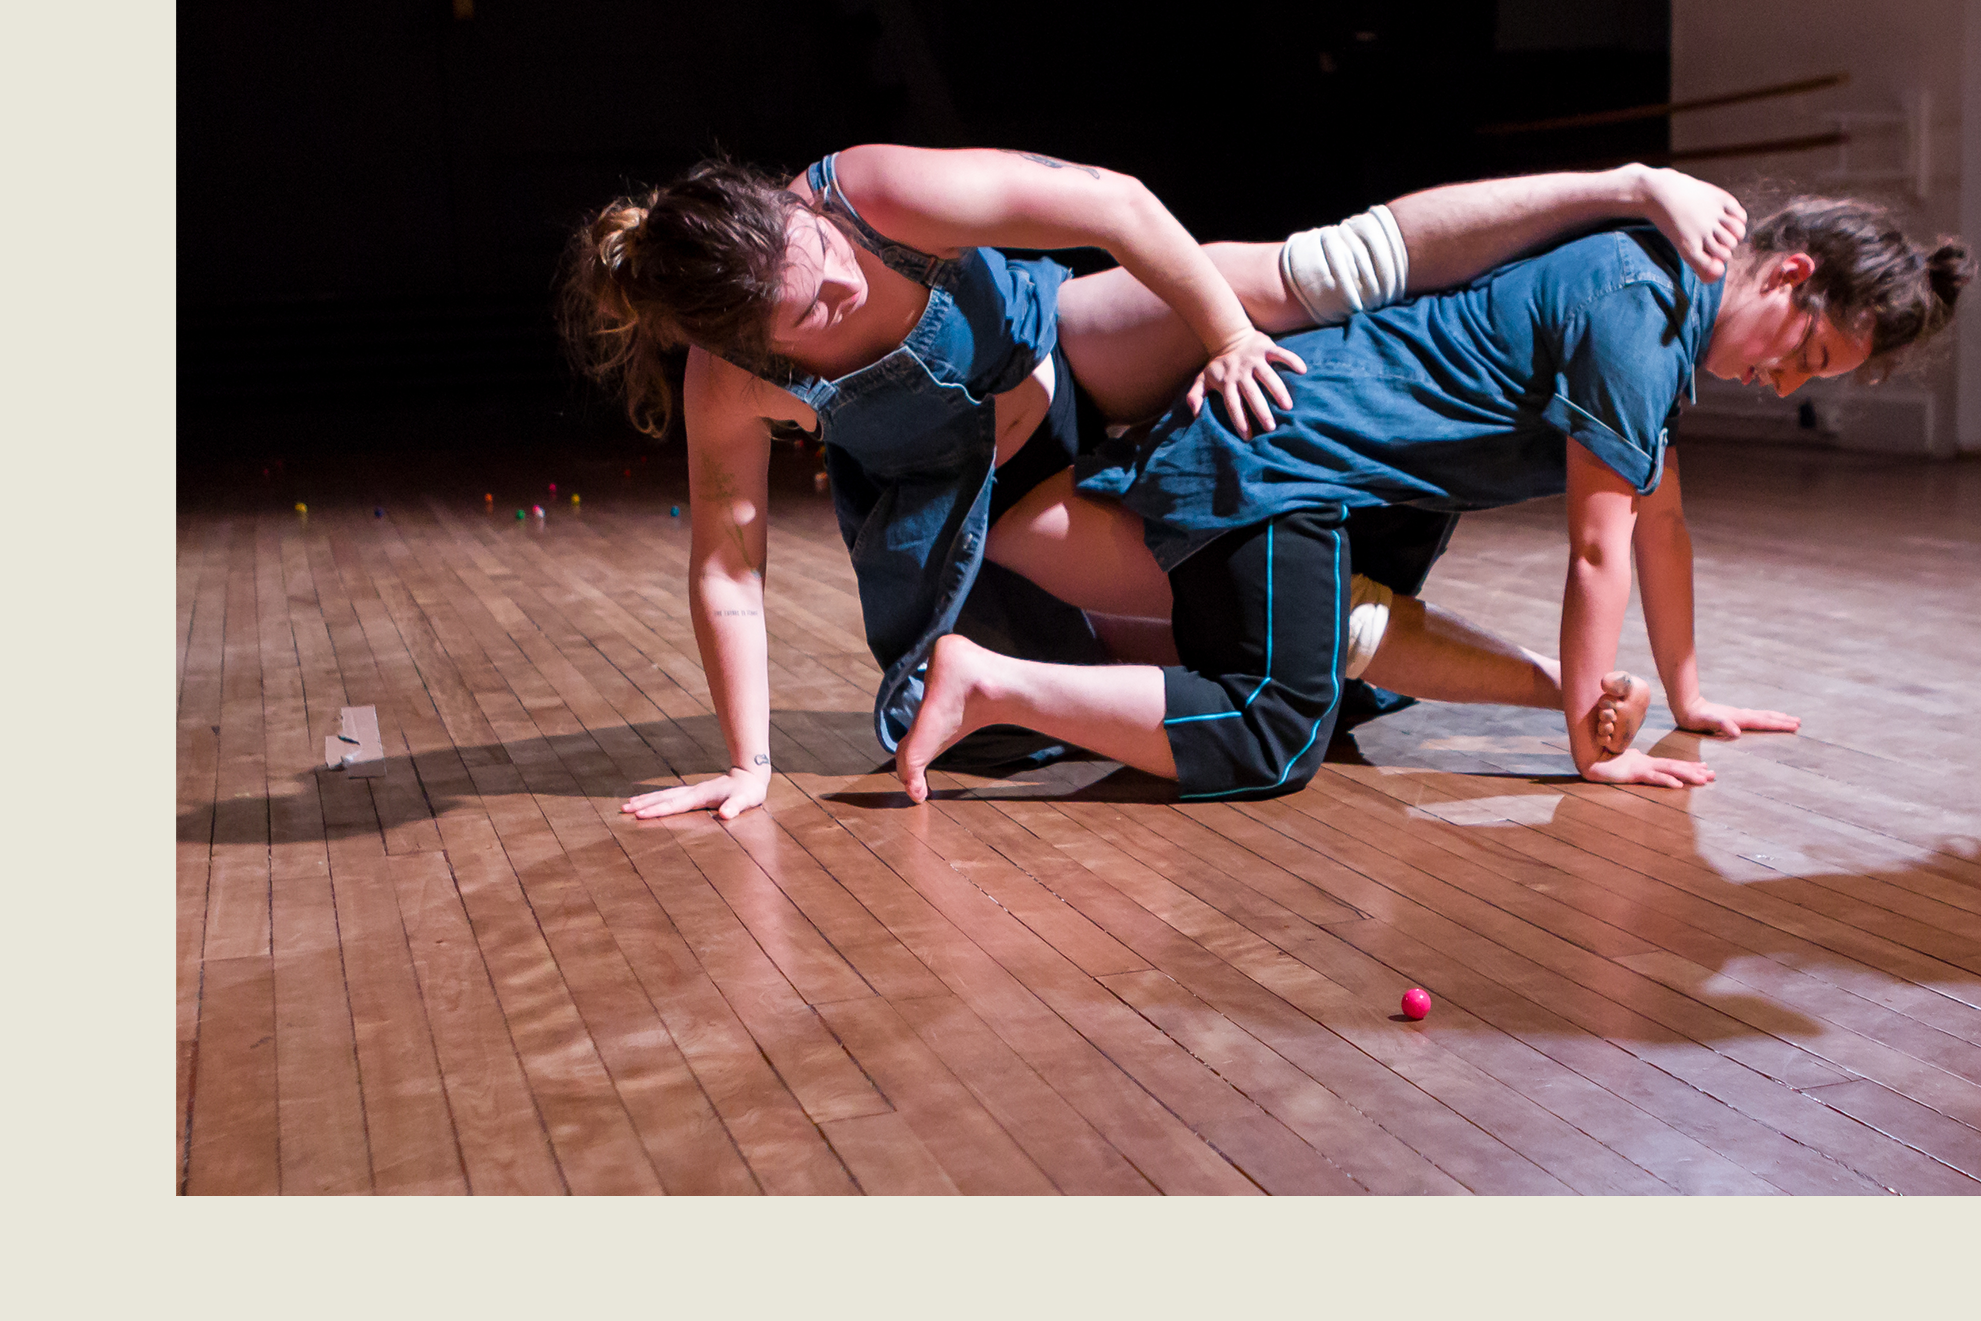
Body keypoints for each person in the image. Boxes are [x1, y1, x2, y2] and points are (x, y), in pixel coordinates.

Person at [557, 143, 1753, 818]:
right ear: (742, 342)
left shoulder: (870, 195)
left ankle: (1619, 181)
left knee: (1326, 270)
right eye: (809, 314)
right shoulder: (728, 384)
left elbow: (1116, 203)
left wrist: (1227, 334)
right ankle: (1557, 692)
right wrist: (749, 763)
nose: (840, 289)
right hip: (991, 488)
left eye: (820, 257)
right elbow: (729, 567)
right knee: (1296, 630)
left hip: (1062, 343)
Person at [893, 197, 1975, 803]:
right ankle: (993, 684)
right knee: (1273, 733)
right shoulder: (1640, 313)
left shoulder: (1659, 308)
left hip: (1328, 474)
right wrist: (1593, 746)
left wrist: (1690, 698)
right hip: (1286, 457)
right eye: (1805, 355)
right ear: (1789, 276)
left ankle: (1102, 644)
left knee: (1341, 678)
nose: (1783, 384)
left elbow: (1663, 525)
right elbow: (1598, 550)